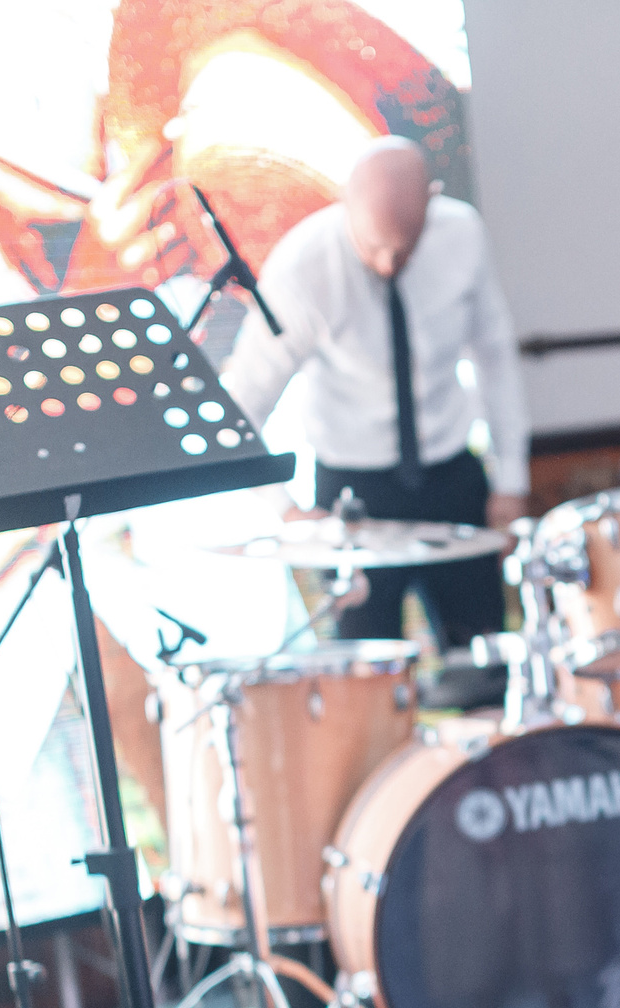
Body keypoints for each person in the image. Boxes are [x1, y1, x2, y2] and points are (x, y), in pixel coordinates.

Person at [221, 136, 531, 674]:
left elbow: (495, 359)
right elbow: (240, 409)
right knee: (364, 684)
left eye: (404, 249)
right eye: (374, 248)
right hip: (353, 493)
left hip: (452, 475)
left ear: (431, 203)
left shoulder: (462, 235)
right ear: (344, 204)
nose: (389, 264)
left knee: (483, 669)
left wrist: (513, 480)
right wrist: (287, 510)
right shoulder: (302, 267)